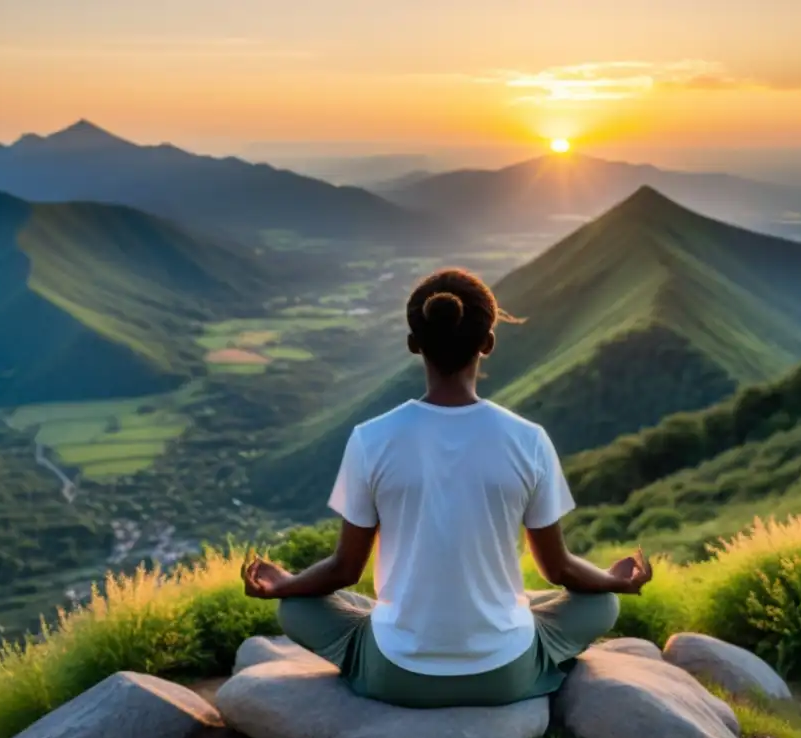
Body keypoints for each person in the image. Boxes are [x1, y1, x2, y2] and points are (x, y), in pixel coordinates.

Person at [242, 267, 653, 708]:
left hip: (397, 675)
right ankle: (518, 634)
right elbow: (560, 570)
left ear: (413, 344)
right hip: (504, 674)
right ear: (488, 343)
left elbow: (344, 570)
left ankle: (379, 652)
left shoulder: (371, 438)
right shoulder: (528, 439)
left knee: (297, 607)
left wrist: (286, 584)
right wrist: (614, 581)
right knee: (602, 604)